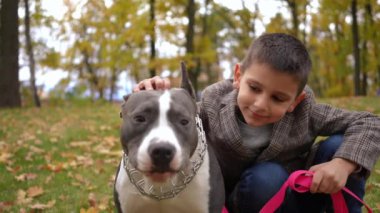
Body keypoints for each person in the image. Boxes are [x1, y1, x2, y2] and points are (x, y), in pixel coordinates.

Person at [133, 33, 380, 213]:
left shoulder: (306, 112)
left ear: (296, 100)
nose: (261, 104)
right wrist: (155, 95)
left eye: (278, 98)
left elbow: (370, 122)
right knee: (267, 176)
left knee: (339, 145)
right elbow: (177, 117)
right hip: (243, 201)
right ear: (238, 76)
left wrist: (342, 164)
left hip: (299, 199)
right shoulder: (211, 105)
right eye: (254, 88)